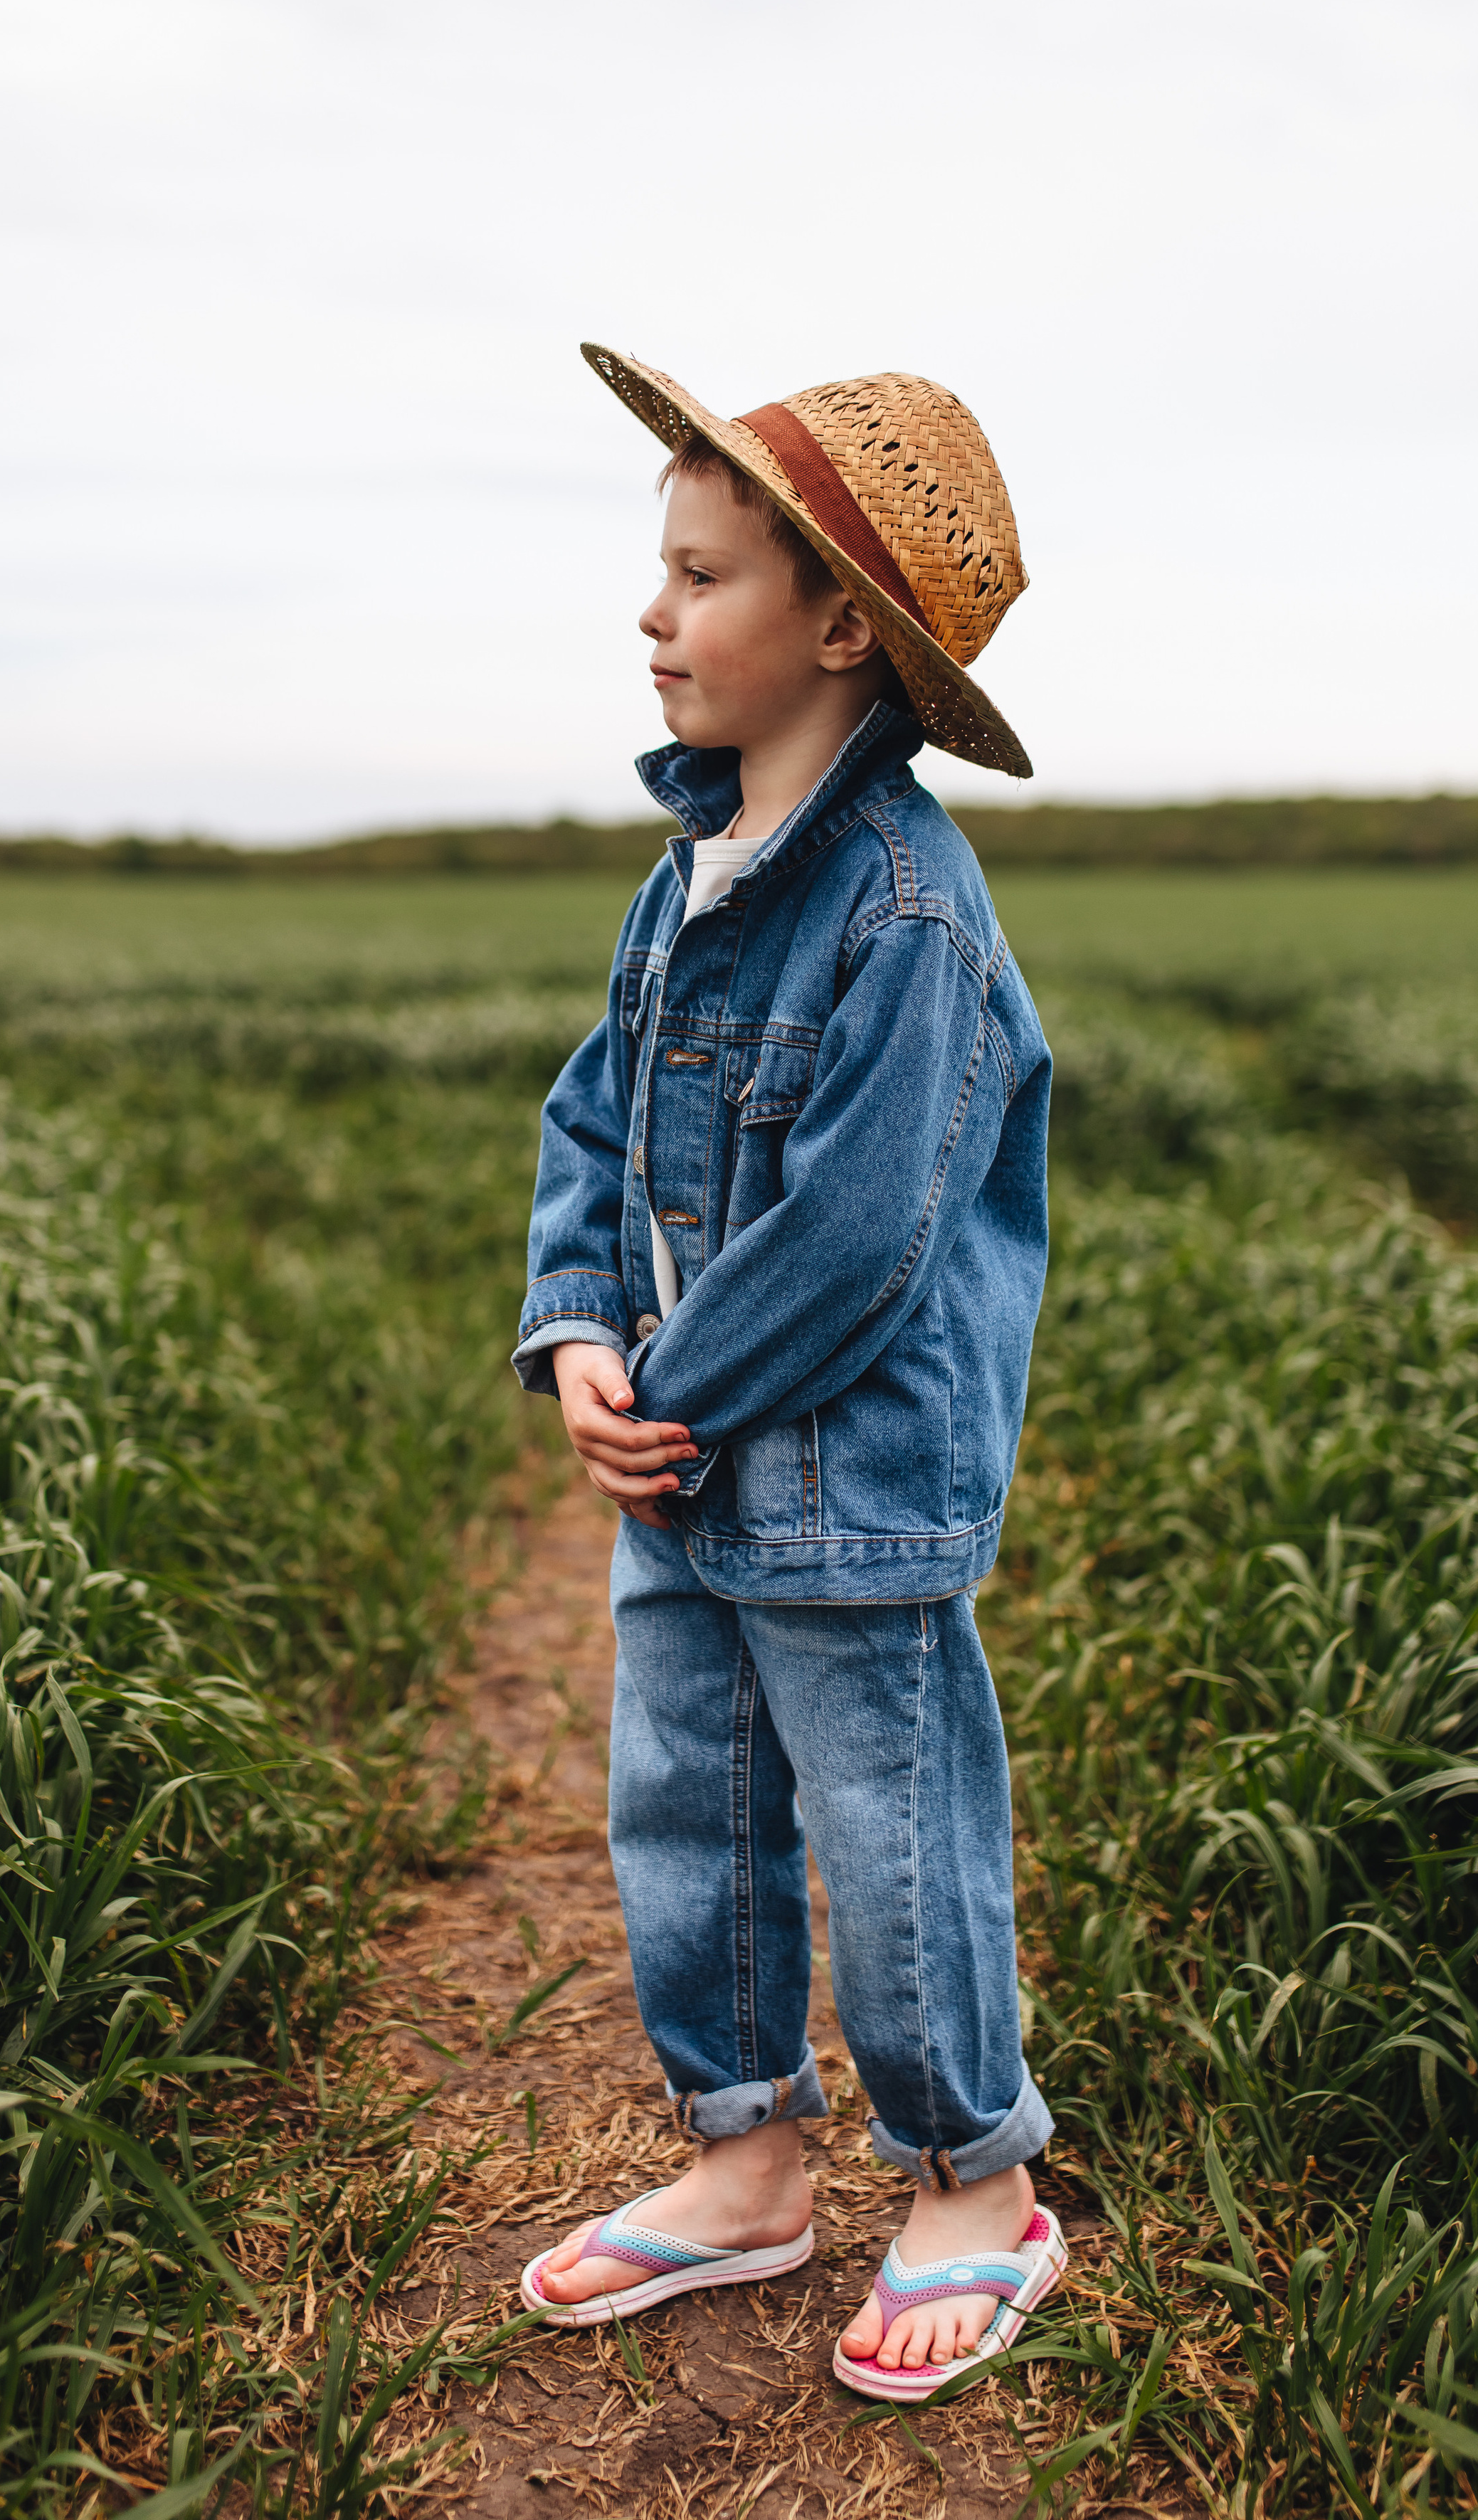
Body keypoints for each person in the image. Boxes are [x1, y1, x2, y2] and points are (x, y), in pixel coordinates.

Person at [509, 347, 1065, 2400]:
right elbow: (591, 1124)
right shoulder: (687, 878)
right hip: (690, 1461)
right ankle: (743, 2164)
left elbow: (857, 1232)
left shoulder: (904, 905)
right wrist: (579, 1330)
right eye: (658, 571)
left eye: (701, 576)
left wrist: (670, 1382)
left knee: (890, 1818)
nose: (654, 615)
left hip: (844, 1469)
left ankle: (973, 2188)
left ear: (842, 625)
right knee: (691, 1804)